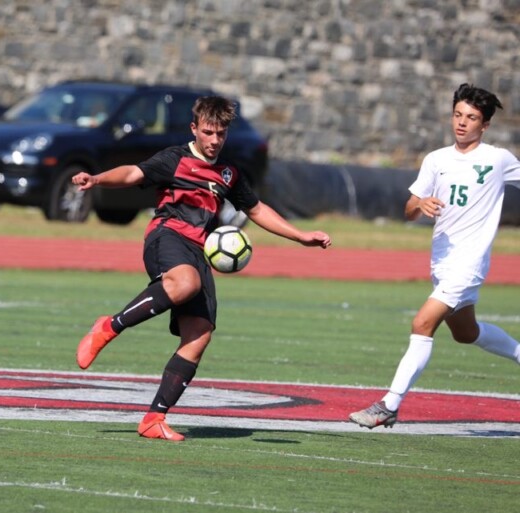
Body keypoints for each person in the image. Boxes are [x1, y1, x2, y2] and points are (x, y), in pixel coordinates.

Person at [72, 96, 332, 441]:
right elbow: (134, 173)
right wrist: (98, 179)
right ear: (194, 129)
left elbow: (255, 210)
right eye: (208, 132)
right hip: (167, 236)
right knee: (185, 283)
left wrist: (300, 236)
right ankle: (109, 325)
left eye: (220, 133)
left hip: (200, 249)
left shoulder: (229, 173)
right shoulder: (175, 159)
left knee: (199, 333)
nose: (214, 140)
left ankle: (153, 418)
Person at [349, 83, 520, 429]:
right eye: (458, 115)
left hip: (469, 263)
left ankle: (388, 405)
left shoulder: (499, 159)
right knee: (466, 333)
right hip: (441, 262)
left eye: (471, 118)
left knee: (422, 324)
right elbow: (409, 209)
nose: (462, 123)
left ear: (484, 125)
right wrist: (420, 204)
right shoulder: (436, 160)